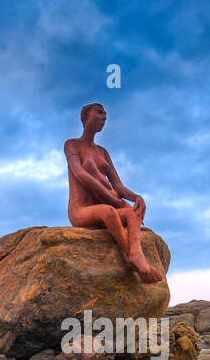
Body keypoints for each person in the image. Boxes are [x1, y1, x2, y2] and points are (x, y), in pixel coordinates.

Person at [65, 103, 164, 284]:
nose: (104, 117)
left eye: (106, 115)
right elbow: (81, 175)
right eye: (100, 112)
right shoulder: (72, 145)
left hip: (105, 206)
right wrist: (111, 199)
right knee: (108, 211)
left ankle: (136, 254)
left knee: (132, 212)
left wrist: (136, 198)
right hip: (81, 210)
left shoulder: (103, 152)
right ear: (86, 115)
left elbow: (117, 185)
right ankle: (136, 258)